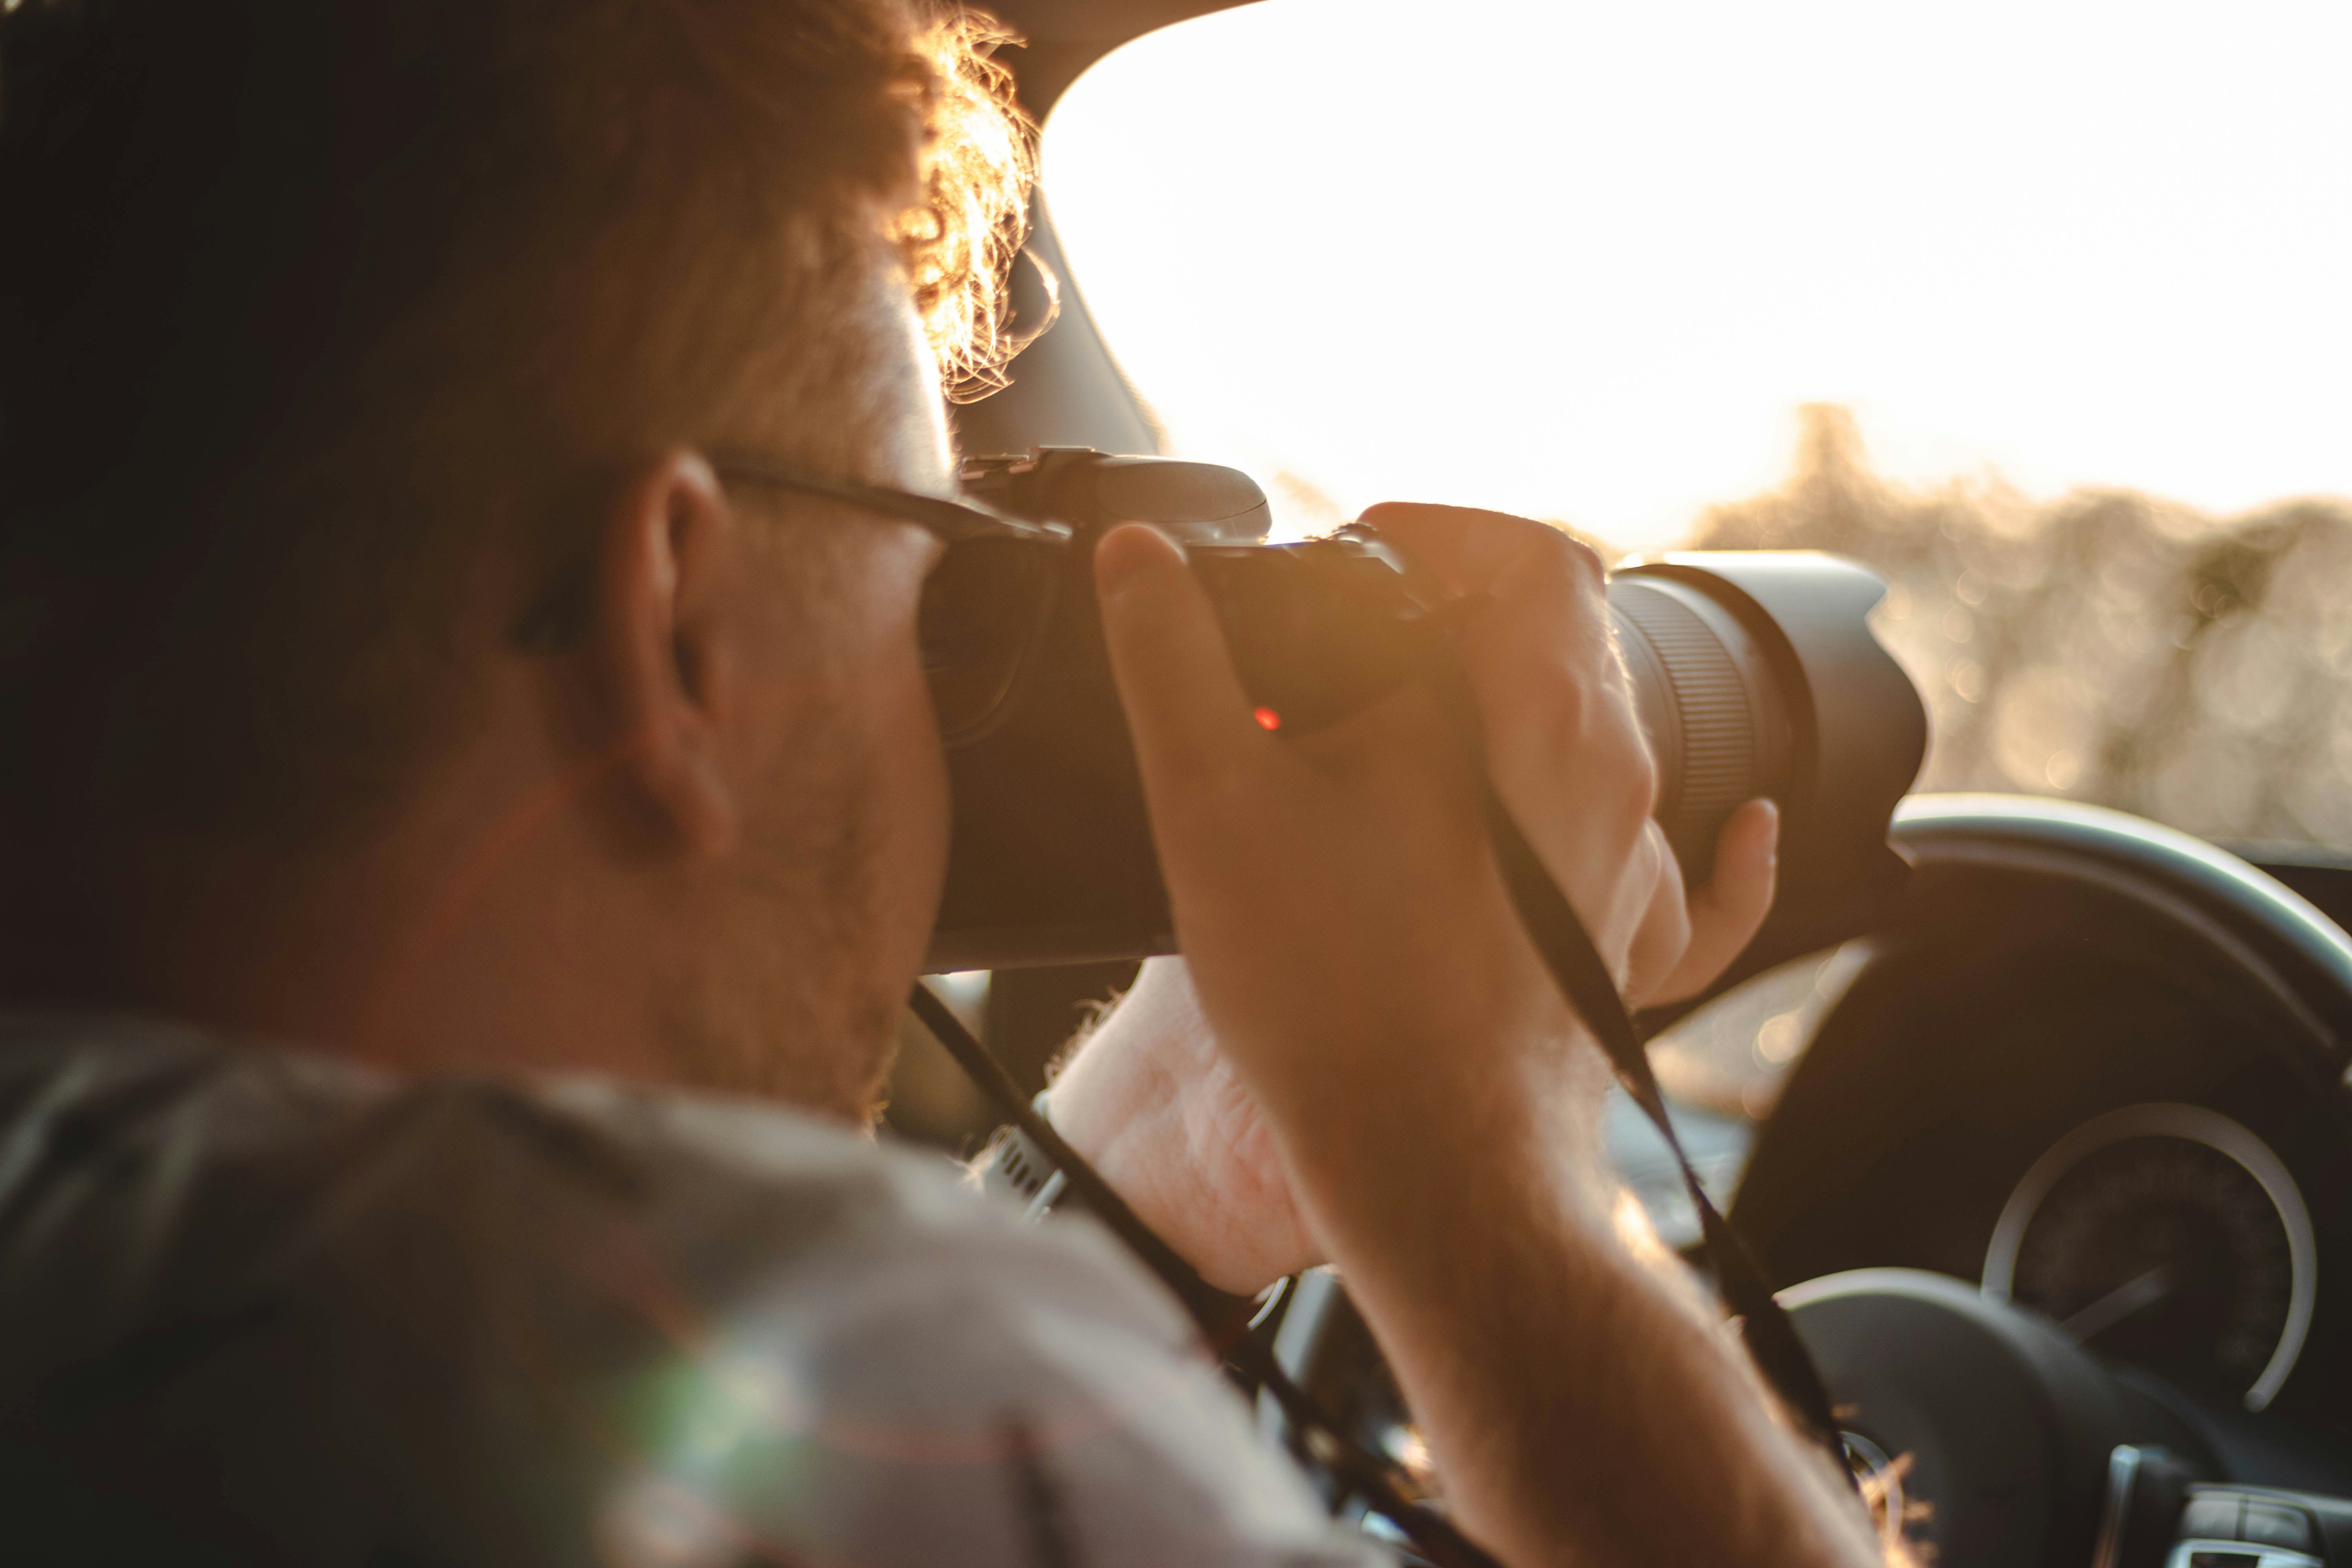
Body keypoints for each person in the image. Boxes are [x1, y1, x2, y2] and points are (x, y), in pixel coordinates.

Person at [0, 0, 1887, 1563]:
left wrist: (1154, 1190)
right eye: (939, 571)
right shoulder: (888, 1362)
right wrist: (1495, 1200)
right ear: (681, 624)